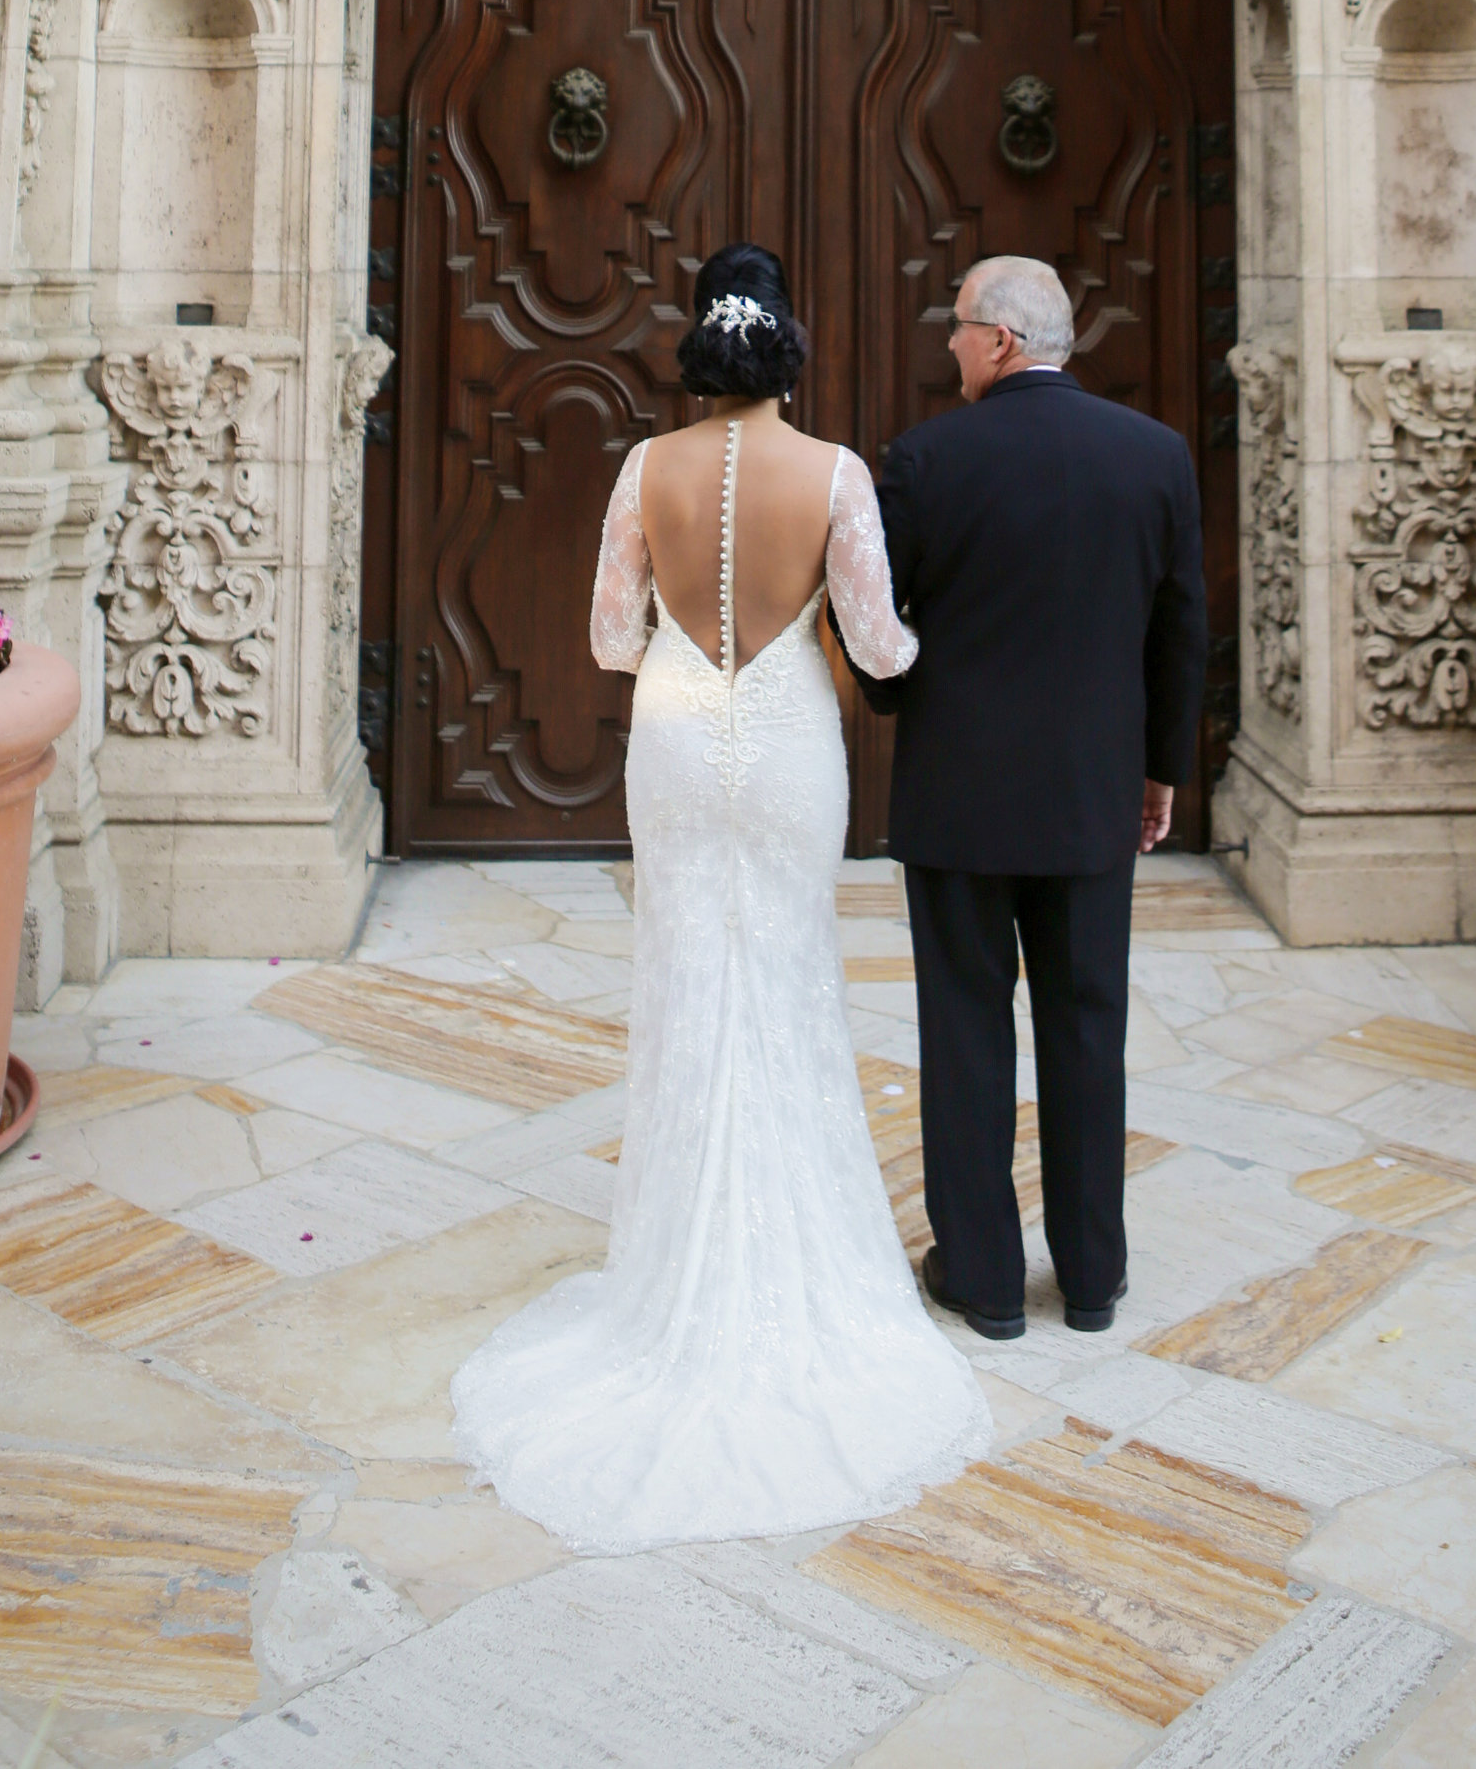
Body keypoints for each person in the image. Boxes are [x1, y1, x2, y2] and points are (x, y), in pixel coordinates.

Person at [448, 243, 991, 1550]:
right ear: (789, 347)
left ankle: (670, 1283)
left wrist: (691, 642)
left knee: (686, 983)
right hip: (793, 741)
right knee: (792, 978)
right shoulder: (838, 474)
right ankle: (797, 1266)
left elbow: (603, 639)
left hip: (684, 736)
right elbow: (880, 645)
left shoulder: (646, 469)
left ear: (699, 346)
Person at [858, 254, 1206, 1344]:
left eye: (957, 327)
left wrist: (900, 692)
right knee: (1086, 1026)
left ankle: (985, 1278)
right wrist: (1157, 772)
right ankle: (1092, 1276)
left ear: (1000, 341)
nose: (947, 345)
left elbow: (874, 631)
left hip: (958, 801)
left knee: (966, 1030)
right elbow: (1179, 629)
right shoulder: (1154, 457)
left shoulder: (922, 460)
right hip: (1092, 796)